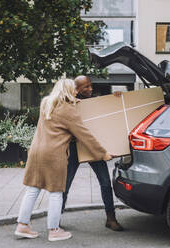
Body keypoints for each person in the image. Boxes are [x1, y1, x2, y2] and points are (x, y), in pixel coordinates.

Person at [14, 78, 113, 242]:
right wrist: (102, 154)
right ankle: (54, 230)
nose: (76, 91)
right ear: (67, 91)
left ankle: (22, 225)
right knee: (56, 192)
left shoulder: (46, 103)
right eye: (73, 89)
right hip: (54, 155)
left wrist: (74, 102)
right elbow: (84, 135)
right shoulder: (68, 110)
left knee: (32, 189)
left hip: (36, 151)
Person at [62, 75, 124, 231]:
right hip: (75, 148)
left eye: (90, 86)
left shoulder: (97, 101)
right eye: (86, 87)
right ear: (77, 89)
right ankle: (56, 219)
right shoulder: (69, 103)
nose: (90, 89)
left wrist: (117, 98)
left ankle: (111, 218)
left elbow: (112, 112)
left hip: (93, 147)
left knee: (105, 182)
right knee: (65, 184)